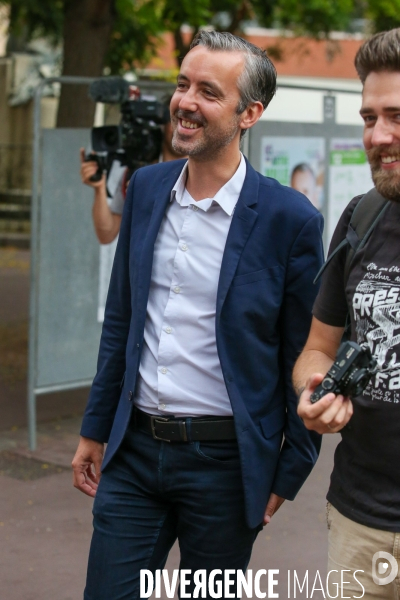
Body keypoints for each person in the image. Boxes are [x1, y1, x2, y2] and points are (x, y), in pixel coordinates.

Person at [72, 30, 324, 599]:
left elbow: (307, 353)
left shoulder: (290, 220)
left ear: (249, 113)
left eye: (208, 92)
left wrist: (288, 471)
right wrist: (95, 427)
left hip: (226, 467)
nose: (185, 101)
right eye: (183, 84)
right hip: (133, 453)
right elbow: (122, 321)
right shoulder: (147, 188)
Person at [295, 28, 400, 600]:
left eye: (396, 116)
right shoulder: (361, 217)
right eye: (368, 117)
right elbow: (318, 346)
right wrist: (313, 390)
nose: (378, 136)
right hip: (359, 523)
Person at [79, 95, 184, 244]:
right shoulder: (138, 171)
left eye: (186, 120)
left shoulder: (206, 171)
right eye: (173, 119)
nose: (180, 127)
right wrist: (99, 188)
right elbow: (107, 234)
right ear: (162, 125)